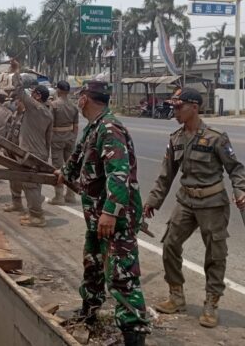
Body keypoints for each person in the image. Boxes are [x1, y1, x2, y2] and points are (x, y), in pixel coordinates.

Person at [144, 87, 245, 328]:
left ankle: (211, 303)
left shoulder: (216, 137)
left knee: (215, 254)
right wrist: (152, 201)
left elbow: (236, 168)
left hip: (213, 204)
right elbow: (166, 176)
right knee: (170, 244)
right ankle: (176, 296)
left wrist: (241, 190)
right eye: (174, 107)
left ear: (195, 107)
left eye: (179, 107)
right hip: (186, 201)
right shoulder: (176, 138)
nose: (175, 112)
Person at [58, 81, 148, 346]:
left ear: (86, 98)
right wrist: (63, 175)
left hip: (114, 218)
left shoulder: (109, 128)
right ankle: (89, 312)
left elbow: (119, 173)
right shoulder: (93, 127)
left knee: (122, 276)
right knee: (94, 264)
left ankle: (134, 333)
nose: (78, 100)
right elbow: (76, 160)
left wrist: (110, 212)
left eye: (79, 96)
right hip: (96, 215)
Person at [2, 60, 53, 227]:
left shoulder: (34, 107)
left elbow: (18, 89)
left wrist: (16, 71)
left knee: (30, 184)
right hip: (40, 152)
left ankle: (37, 217)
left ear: (37, 96)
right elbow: (48, 138)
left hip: (30, 152)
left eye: (33, 93)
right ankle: (34, 213)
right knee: (33, 183)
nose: (30, 95)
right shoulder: (47, 113)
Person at [47, 80, 79, 205]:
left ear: (58, 90)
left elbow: (50, 125)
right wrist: (73, 138)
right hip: (70, 138)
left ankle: (58, 197)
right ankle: (70, 195)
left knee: (57, 167)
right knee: (70, 167)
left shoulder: (54, 105)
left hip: (57, 139)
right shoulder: (73, 106)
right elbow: (76, 126)